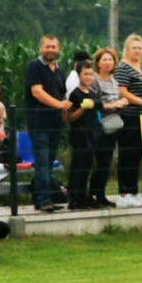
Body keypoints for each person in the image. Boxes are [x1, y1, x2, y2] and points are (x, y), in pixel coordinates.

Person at [24, 35, 71, 213]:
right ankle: (43, 200)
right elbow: (37, 92)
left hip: (55, 123)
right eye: (47, 47)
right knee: (42, 162)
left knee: (50, 162)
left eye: (54, 47)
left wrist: (65, 111)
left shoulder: (59, 71)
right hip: (39, 122)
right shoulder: (34, 67)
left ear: (58, 49)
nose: (51, 50)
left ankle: (48, 197)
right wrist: (59, 105)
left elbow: (63, 95)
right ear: (40, 48)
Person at [115, 33, 142, 208]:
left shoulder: (141, 67)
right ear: (127, 48)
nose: (137, 51)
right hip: (130, 117)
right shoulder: (123, 67)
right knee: (128, 154)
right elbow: (122, 91)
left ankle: (134, 190)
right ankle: (124, 192)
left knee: (139, 155)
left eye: (140, 48)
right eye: (134, 48)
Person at [88, 48, 127, 208]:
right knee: (100, 161)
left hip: (113, 124)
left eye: (110, 60)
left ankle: (101, 194)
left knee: (107, 162)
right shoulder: (94, 80)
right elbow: (93, 102)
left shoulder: (114, 81)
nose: (108, 63)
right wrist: (113, 104)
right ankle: (92, 194)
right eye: (104, 59)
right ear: (98, 63)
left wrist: (122, 103)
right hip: (99, 124)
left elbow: (118, 98)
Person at [64, 60, 103, 210]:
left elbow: (99, 106)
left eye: (90, 74)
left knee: (87, 167)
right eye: (85, 74)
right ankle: (75, 198)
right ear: (79, 75)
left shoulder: (93, 93)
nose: (88, 77)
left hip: (92, 136)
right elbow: (70, 117)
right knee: (78, 168)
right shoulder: (75, 94)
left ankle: (84, 196)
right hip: (80, 136)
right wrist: (82, 109)